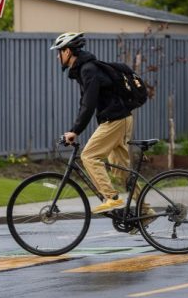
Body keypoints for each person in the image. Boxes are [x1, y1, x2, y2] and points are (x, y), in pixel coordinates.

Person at [52, 32, 133, 214]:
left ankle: (111, 198)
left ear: (68, 52)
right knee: (122, 173)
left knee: (89, 156)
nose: (58, 56)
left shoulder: (88, 70)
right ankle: (145, 214)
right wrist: (75, 129)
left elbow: (88, 105)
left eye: (59, 52)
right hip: (119, 118)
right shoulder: (84, 70)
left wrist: (75, 131)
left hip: (115, 119)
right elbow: (85, 103)